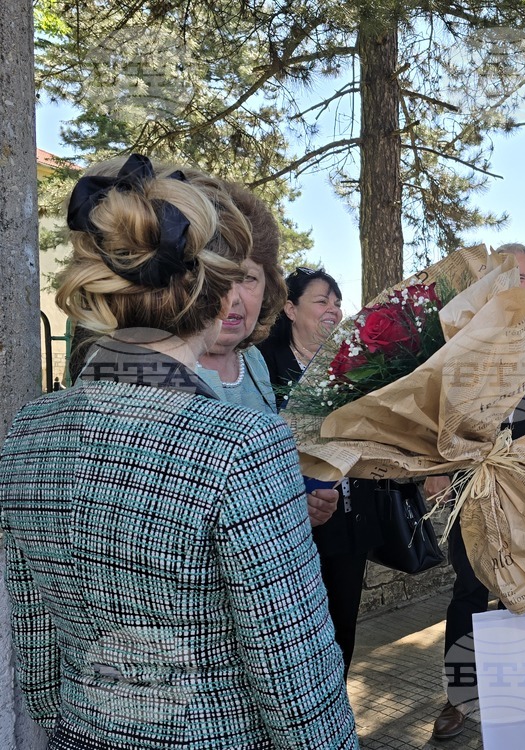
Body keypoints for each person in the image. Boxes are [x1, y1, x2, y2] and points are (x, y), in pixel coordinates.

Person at [0, 155, 358, 748]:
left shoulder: (26, 432)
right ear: (211, 289)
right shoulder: (241, 445)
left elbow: (37, 651)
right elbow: (297, 681)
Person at [430, 242, 525, 741]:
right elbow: (439, 407)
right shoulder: (465, 333)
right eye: (503, 275)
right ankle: (459, 697)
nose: (512, 283)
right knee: (468, 589)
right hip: (471, 482)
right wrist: (440, 468)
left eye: (521, 276)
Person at [187, 174, 337, 528]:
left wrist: (302, 501)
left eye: (248, 278)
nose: (233, 297)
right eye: (217, 275)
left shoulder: (252, 359)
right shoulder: (162, 366)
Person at [258, 267, 382, 675]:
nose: (333, 309)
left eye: (337, 302)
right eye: (321, 300)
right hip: (291, 525)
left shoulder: (353, 364)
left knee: (342, 627)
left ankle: (335, 703)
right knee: (295, 637)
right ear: (290, 309)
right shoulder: (262, 366)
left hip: (348, 519)